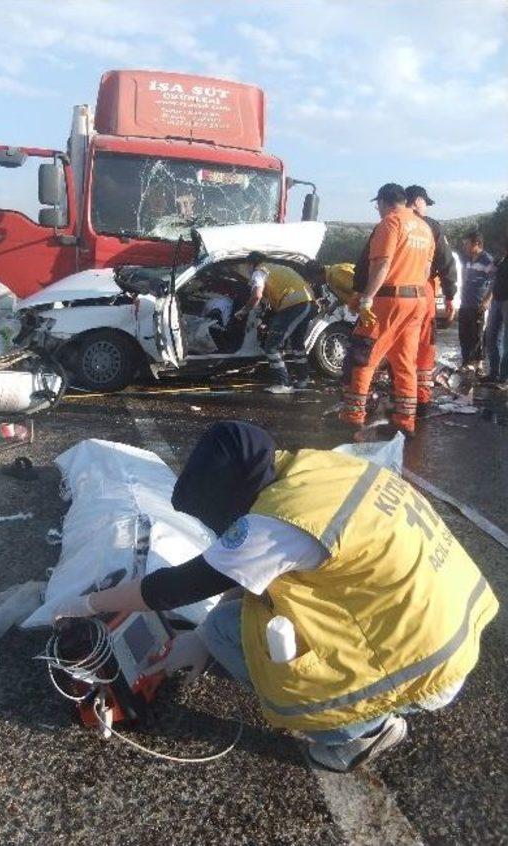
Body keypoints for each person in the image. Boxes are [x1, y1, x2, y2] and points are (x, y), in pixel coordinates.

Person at [55, 421, 498, 773]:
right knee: (243, 613)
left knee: (230, 631)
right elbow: (243, 573)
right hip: (448, 628)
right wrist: (199, 642)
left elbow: (175, 588)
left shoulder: (274, 523)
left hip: (424, 666)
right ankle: (371, 707)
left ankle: (359, 732)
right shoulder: (313, 472)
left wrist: (90, 605)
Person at [336, 183, 434, 438]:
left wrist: (367, 297)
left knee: (363, 356)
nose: (377, 210)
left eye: (377, 205)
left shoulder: (390, 224)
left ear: (383, 202)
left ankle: (352, 417)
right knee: (404, 362)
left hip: (389, 300)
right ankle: (405, 421)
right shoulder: (424, 228)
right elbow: (425, 271)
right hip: (417, 300)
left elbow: (382, 265)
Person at [405, 185, 459, 414]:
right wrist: (450, 297)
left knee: (399, 348)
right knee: (424, 345)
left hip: (390, 292)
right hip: (422, 290)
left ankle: (401, 402)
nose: (426, 208)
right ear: (418, 201)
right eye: (425, 203)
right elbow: (447, 263)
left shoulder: (390, 223)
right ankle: (422, 401)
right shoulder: (431, 227)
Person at [235, 252, 317, 393]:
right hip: (308, 303)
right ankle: (303, 379)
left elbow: (256, 297)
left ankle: (283, 384)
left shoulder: (259, 272)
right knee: (297, 344)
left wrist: (242, 312)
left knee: (271, 346)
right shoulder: (280, 268)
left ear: (251, 264)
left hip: (293, 305)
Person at [459, 230, 495, 371]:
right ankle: (466, 362)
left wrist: (487, 301)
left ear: (477, 244)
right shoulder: (468, 260)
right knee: (464, 334)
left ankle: (478, 364)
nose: (464, 247)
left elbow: (495, 282)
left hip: (479, 304)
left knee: (478, 335)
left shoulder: (487, 260)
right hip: (465, 304)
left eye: (466, 244)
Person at [482, 238, 508, 388]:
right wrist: (487, 299)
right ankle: (494, 373)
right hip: (497, 301)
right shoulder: (501, 261)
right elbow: (493, 278)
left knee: (506, 341)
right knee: (491, 336)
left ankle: (504, 378)